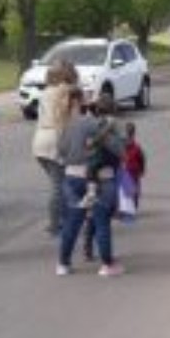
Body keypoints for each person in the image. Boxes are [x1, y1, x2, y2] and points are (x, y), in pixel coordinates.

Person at [56, 87, 123, 277]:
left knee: (72, 222)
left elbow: (60, 151)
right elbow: (119, 150)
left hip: (72, 176)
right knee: (102, 222)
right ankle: (107, 265)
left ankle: (63, 263)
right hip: (101, 178)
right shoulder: (100, 125)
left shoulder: (69, 125)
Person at [32, 60, 78, 235]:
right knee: (59, 185)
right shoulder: (65, 90)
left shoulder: (45, 93)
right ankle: (55, 224)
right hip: (55, 138)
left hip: (39, 139)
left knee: (58, 182)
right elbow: (73, 116)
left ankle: (63, 219)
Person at [81, 94, 125, 261]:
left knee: (92, 214)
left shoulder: (89, 122)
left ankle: (88, 248)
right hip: (106, 174)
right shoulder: (112, 124)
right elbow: (120, 150)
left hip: (89, 172)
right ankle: (105, 258)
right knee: (103, 218)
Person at [124, 121, 146, 208]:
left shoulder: (122, 144)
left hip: (126, 169)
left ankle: (127, 207)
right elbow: (142, 159)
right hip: (134, 171)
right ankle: (132, 205)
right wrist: (142, 169)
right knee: (134, 190)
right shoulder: (136, 146)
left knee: (126, 189)